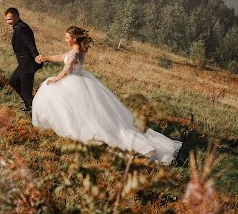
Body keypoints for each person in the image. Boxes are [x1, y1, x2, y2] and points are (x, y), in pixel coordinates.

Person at [33, 26, 182, 164]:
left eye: (66, 37)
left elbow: (66, 70)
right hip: (80, 80)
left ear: (73, 39)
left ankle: (76, 131)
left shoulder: (74, 52)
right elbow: (61, 57)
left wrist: (55, 79)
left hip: (73, 81)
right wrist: (45, 58)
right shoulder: (77, 50)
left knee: (53, 93)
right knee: (82, 110)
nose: (65, 39)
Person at [5, 7, 43, 112]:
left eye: (10, 19)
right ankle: (29, 103)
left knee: (26, 91)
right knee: (13, 81)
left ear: (16, 16)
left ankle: (37, 110)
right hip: (23, 63)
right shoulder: (18, 26)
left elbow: (30, 44)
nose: (8, 22)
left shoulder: (22, 28)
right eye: (7, 20)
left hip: (28, 64)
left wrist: (36, 56)